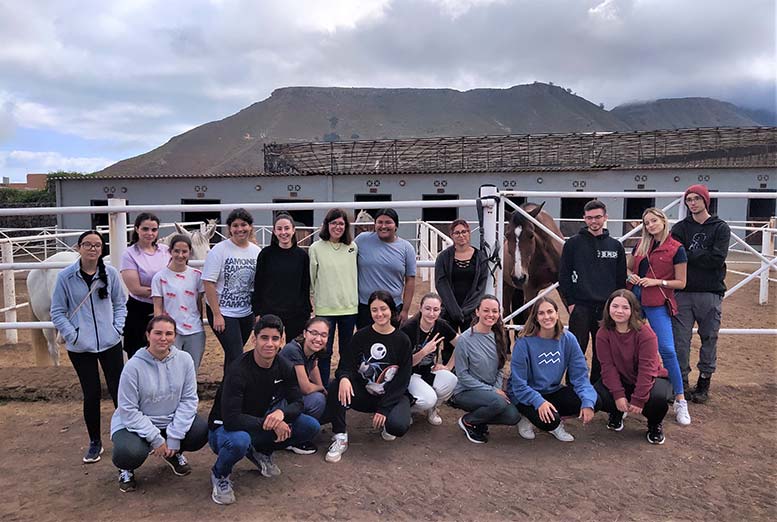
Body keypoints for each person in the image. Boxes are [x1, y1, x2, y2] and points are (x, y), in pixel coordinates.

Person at [207, 315, 320, 505]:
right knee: (239, 441)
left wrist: (281, 414)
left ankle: (262, 451)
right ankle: (220, 474)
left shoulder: (284, 366)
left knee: (310, 426)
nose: (269, 344)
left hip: (257, 423)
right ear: (254, 339)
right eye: (264, 338)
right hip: (223, 430)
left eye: (275, 338)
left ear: (282, 340)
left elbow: (298, 403)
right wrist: (272, 423)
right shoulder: (237, 370)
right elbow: (231, 419)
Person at [51, 230, 127, 463]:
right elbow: (58, 311)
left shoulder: (110, 274)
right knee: (91, 393)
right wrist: (72, 335)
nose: (92, 249)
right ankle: (95, 441)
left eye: (97, 245)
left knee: (119, 391)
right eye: (88, 244)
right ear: (79, 247)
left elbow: (120, 304)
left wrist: (116, 329)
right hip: (81, 346)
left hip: (109, 342)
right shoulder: (65, 277)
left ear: (101, 250)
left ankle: (124, 437)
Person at [110, 315, 208, 492]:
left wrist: (175, 436)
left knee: (200, 431)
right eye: (158, 333)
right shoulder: (133, 367)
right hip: (133, 424)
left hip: (169, 420)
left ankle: (173, 453)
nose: (163, 338)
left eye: (169, 333)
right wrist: (155, 438)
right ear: (148, 335)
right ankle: (126, 468)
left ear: (175, 336)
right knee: (128, 452)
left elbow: (189, 399)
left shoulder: (185, 360)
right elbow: (128, 410)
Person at [324, 290, 413, 463]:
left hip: (389, 396)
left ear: (391, 310)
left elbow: (403, 379)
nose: (379, 314)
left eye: (383, 309)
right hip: (364, 394)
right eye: (374, 310)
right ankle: (340, 435)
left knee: (398, 426)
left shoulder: (402, 340)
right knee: (336, 385)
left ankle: (388, 423)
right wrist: (343, 377)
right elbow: (346, 365)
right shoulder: (361, 336)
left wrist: (385, 409)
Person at [627, 208, 691, 425]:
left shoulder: (676, 249)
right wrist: (632, 276)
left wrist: (658, 282)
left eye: (653, 221)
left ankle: (680, 399)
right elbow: (626, 268)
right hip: (635, 301)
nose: (650, 225)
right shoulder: (640, 245)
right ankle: (633, 395)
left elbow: (681, 282)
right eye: (646, 223)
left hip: (657, 302)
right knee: (632, 349)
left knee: (667, 350)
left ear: (663, 221)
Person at [671, 184, 731, 404]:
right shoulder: (679, 228)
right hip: (683, 292)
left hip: (710, 292)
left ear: (706, 200)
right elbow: (674, 255)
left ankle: (704, 382)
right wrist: (697, 255)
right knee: (680, 340)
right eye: (689, 199)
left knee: (709, 338)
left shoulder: (720, 228)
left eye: (696, 198)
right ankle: (682, 383)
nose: (692, 203)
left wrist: (688, 255)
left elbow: (717, 259)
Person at [508, 297, 599, 442]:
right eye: (541, 313)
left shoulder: (568, 339)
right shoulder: (523, 343)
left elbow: (580, 377)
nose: (547, 317)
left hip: (552, 390)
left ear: (557, 314)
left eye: (550, 312)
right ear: (536, 318)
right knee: (550, 422)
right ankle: (526, 417)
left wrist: (588, 401)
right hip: (524, 394)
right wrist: (539, 402)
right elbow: (519, 385)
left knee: (592, 400)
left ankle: (550, 414)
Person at [559, 200, 626, 383]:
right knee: (576, 350)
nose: (593, 221)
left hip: (606, 309)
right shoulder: (572, 244)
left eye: (597, 217)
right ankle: (574, 389)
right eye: (589, 218)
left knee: (603, 352)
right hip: (580, 306)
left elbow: (620, 281)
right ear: (584, 218)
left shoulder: (616, 246)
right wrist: (571, 303)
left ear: (605, 217)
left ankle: (598, 388)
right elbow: (563, 276)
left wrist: (615, 307)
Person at [595, 289, 673, 445]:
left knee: (658, 399)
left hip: (649, 379)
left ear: (633, 310)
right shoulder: (603, 333)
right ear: (608, 308)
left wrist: (638, 399)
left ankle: (654, 424)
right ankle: (616, 412)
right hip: (622, 379)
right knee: (597, 396)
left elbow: (647, 369)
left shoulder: (645, 333)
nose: (619, 311)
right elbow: (607, 367)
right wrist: (618, 395)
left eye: (625, 307)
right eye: (615, 306)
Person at [450, 295, 519, 444]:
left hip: (490, 392)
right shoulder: (465, 340)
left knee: (513, 416)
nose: (490, 315)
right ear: (477, 312)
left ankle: (479, 420)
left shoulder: (499, 336)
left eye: (495, 311)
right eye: (486, 310)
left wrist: (495, 388)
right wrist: (493, 391)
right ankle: (468, 421)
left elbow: (500, 368)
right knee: (498, 403)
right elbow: (462, 376)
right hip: (466, 391)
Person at [202, 208, 261, 371]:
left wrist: (257, 313)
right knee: (237, 355)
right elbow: (208, 282)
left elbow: (259, 285)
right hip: (223, 312)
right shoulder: (219, 250)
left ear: (250, 227)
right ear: (230, 228)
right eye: (235, 225)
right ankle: (235, 393)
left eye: (244, 225)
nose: (240, 229)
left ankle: (225, 395)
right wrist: (216, 314)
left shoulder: (256, 252)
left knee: (233, 356)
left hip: (246, 312)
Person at [309, 208, 359, 387]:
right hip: (325, 308)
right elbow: (312, 277)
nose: (337, 227)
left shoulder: (352, 247)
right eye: (333, 223)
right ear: (327, 225)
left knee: (347, 351)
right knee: (324, 350)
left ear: (346, 226)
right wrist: (316, 300)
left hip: (349, 307)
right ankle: (322, 387)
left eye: (341, 223)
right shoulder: (316, 248)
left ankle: (343, 386)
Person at [400, 293, 459, 426]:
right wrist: (424, 352)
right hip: (409, 374)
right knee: (428, 398)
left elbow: (461, 344)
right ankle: (407, 410)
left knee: (451, 379)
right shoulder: (408, 328)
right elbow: (404, 364)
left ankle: (432, 409)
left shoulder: (441, 325)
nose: (431, 314)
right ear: (420, 308)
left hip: (428, 371)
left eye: (436, 309)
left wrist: (448, 366)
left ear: (440, 310)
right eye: (427, 308)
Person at [253, 212, 311, 341]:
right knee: (271, 350)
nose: (283, 232)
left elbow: (305, 286)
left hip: (296, 314)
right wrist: (257, 312)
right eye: (279, 229)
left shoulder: (302, 256)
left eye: (287, 228)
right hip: (270, 312)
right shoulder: (265, 255)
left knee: (294, 351)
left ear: (293, 230)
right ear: (274, 231)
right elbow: (258, 284)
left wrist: (306, 312)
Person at [152, 234, 206, 372]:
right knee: (170, 369)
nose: (180, 255)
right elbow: (157, 307)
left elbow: (199, 303)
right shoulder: (159, 277)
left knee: (192, 370)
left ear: (189, 253)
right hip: (170, 332)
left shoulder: (196, 276)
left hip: (194, 330)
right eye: (176, 251)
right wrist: (160, 332)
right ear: (170, 251)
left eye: (184, 251)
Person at [354, 208, 416, 327]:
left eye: (388, 222)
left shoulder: (406, 248)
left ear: (396, 226)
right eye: (380, 222)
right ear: (375, 224)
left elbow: (410, 280)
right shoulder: (361, 240)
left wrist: (405, 310)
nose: (383, 226)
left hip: (393, 307)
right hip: (365, 307)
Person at [120, 213, 170, 358]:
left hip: (165, 307)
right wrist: (165, 291)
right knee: (138, 353)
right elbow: (135, 288)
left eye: (154, 230)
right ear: (137, 229)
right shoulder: (129, 254)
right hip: (140, 310)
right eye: (145, 229)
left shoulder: (165, 251)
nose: (150, 233)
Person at [279, 317, 330, 454]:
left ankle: (303, 428)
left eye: (323, 335)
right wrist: (321, 388)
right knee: (318, 399)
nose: (318, 338)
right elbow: (306, 388)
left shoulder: (311, 350)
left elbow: (313, 367)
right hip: (280, 401)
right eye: (314, 333)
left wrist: (323, 388)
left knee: (331, 393)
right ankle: (293, 439)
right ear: (305, 333)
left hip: (292, 396)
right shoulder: (293, 350)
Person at [434, 219, 489, 332]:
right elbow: (441, 283)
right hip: (449, 311)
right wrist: (454, 310)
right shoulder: (443, 257)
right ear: (452, 235)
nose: (461, 235)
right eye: (457, 233)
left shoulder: (480, 258)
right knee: (448, 347)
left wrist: (467, 310)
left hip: (472, 313)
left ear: (469, 233)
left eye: (464, 232)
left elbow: (481, 287)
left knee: (471, 345)